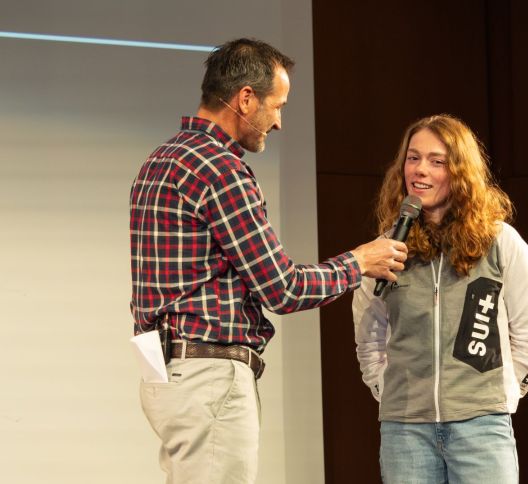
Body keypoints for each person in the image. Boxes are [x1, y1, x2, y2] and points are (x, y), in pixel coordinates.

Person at [129, 38, 407, 483]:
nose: (278, 122)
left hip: (168, 375)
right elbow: (283, 288)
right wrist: (359, 262)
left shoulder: (160, 161)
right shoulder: (219, 170)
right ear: (244, 98)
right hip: (209, 377)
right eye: (276, 106)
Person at [352, 114, 528, 483]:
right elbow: (369, 336)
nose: (419, 170)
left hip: (481, 428)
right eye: (413, 158)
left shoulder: (501, 242)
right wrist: (387, 390)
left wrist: (502, 397)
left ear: (459, 172)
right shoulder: (388, 247)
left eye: (436, 161)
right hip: (405, 430)